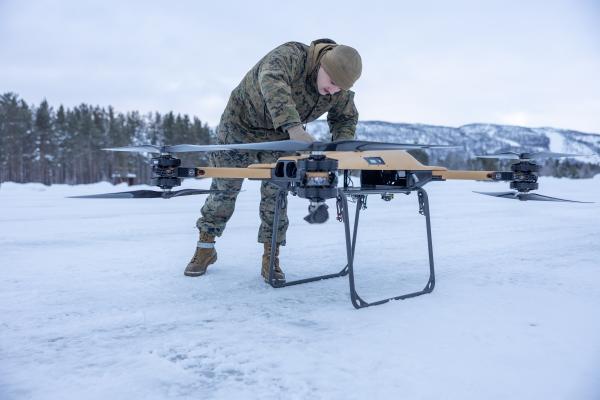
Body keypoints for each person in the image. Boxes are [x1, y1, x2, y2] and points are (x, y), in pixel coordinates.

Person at [184, 38, 362, 284]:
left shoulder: (337, 91)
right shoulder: (292, 56)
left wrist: (341, 146)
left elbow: (346, 117)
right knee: (224, 189)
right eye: (331, 83)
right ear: (322, 65)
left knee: (276, 193)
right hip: (240, 128)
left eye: (339, 89)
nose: (333, 91)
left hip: (279, 138)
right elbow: (271, 80)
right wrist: (294, 127)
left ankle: (271, 256)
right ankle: (205, 248)